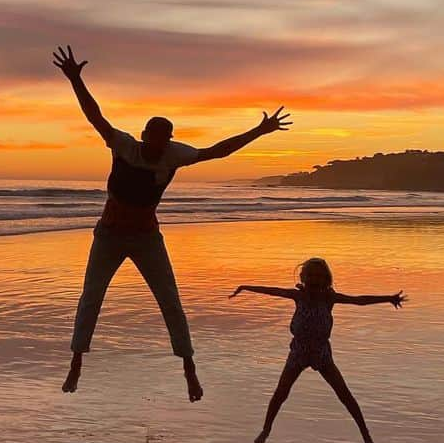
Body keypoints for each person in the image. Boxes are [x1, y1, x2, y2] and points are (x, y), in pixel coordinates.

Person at [53, 44, 292, 397]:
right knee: (91, 297)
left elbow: (218, 151)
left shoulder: (175, 155)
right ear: (144, 135)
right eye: (154, 138)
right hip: (109, 236)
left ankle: (189, 367)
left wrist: (259, 131)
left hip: (147, 238)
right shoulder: (123, 145)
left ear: (168, 140)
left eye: (164, 140)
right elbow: (95, 116)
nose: (158, 145)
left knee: (170, 300)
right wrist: (75, 80)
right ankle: (76, 364)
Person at [231, 257, 406, 443]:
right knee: (281, 393)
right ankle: (266, 429)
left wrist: (388, 298)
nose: (314, 279)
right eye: (310, 275)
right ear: (304, 277)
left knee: (344, 394)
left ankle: (366, 435)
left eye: (318, 276)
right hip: (298, 352)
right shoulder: (299, 296)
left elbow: (359, 301)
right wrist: (245, 287)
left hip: (322, 353)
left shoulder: (329, 298)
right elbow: (273, 291)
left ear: (326, 279)